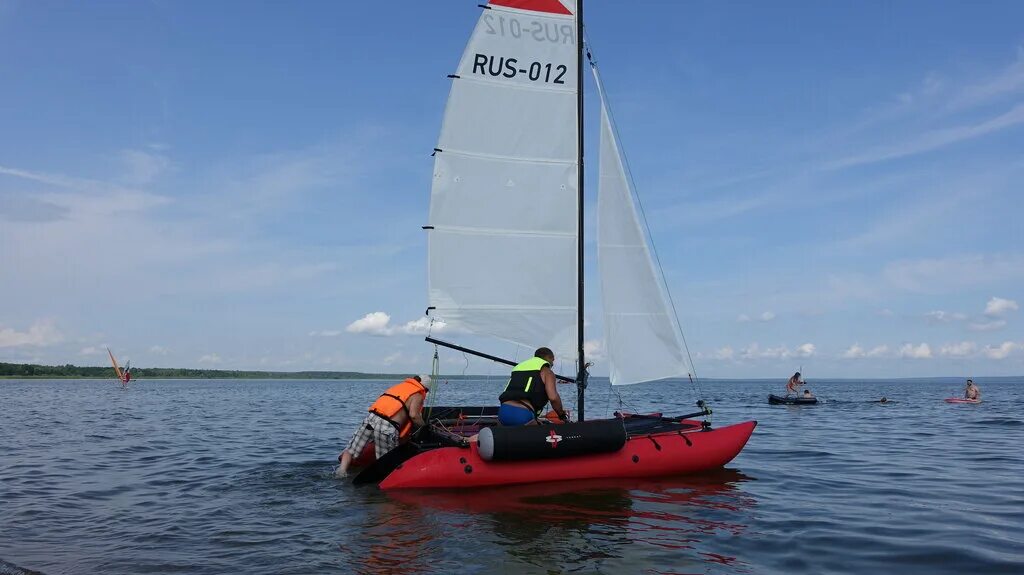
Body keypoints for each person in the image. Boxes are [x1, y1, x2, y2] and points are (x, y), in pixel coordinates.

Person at [336, 374, 431, 477]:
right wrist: (425, 427)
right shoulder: (418, 394)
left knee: (351, 449)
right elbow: (414, 416)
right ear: (424, 388)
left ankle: (341, 471)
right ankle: (383, 482)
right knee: (387, 460)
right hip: (386, 426)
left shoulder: (399, 387)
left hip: (371, 419)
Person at [498, 347, 568, 426]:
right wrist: (562, 415)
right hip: (523, 415)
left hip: (503, 412)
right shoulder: (547, 371)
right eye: (553, 360)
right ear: (549, 357)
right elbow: (553, 397)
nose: (552, 364)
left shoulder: (518, 368)